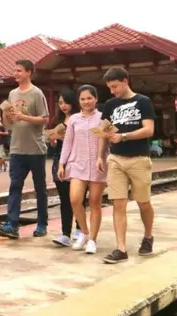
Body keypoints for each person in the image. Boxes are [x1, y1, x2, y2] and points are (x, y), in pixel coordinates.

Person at [97, 67, 155, 264]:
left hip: (139, 158)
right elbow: (104, 132)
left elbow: (149, 130)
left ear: (125, 81)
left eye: (114, 86)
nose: (112, 91)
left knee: (143, 202)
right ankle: (121, 248)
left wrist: (123, 136)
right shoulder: (110, 105)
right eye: (110, 88)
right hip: (116, 159)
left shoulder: (143, 102)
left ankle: (148, 237)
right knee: (118, 203)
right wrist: (100, 155)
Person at [0, 59, 50, 239]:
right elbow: (9, 123)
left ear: (28, 72)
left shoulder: (37, 93)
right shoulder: (12, 93)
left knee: (39, 188)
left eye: (19, 71)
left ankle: (42, 224)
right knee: (15, 186)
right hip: (17, 148)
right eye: (15, 70)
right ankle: (12, 224)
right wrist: (7, 116)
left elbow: (45, 119)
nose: (15, 73)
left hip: (36, 148)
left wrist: (23, 116)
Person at [58, 85, 107, 254]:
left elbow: (109, 140)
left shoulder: (103, 118)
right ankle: (84, 233)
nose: (86, 101)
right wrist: (61, 163)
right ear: (78, 101)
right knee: (74, 199)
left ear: (96, 99)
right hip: (77, 163)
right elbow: (68, 142)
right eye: (83, 99)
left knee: (95, 202)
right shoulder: (74, 119)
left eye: (89, 98)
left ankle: (93, 239)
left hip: (97, 165)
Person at [48, 89, 81, 247]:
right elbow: (54, 146)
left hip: (78, 162)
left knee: (78, 198)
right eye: (60, 103)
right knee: (65, 200)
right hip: (59, 161)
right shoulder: (57, 121)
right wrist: (54, 140)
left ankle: (81, 230)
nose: (63, 106)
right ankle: (65, 233)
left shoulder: (80, 119)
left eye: (66, 102)